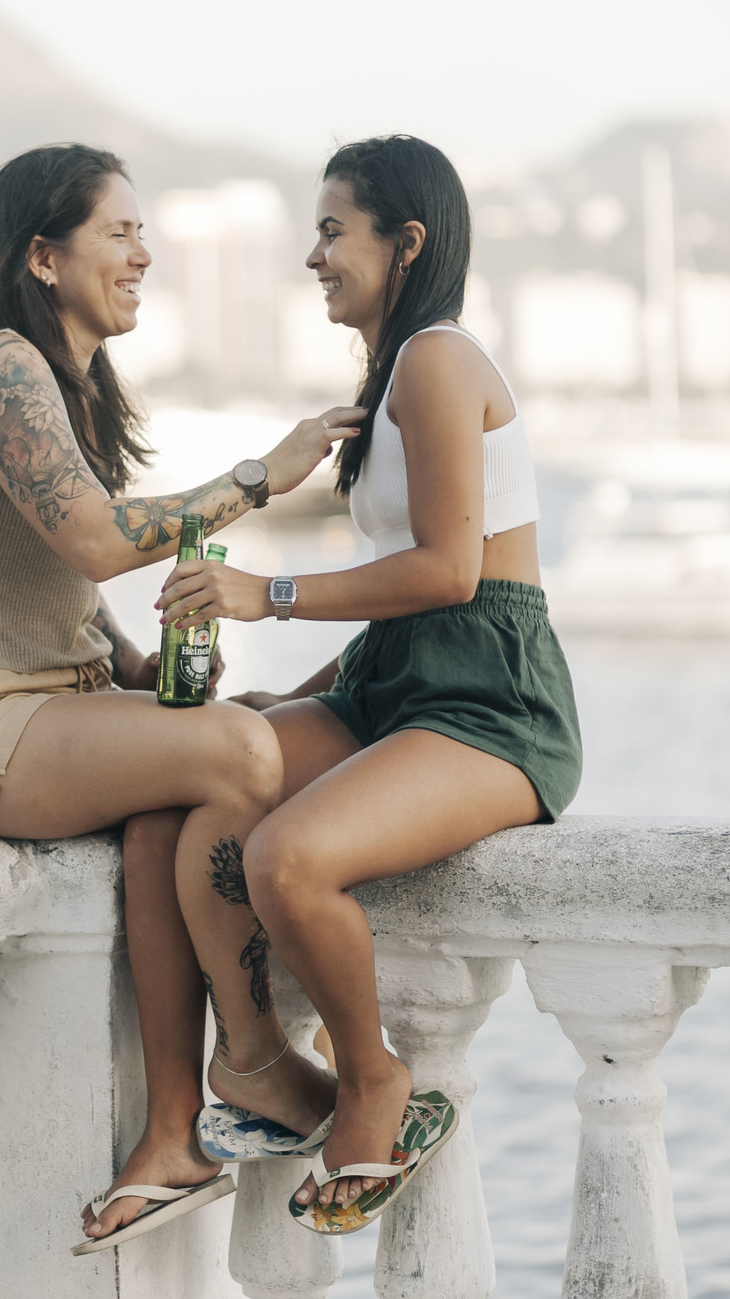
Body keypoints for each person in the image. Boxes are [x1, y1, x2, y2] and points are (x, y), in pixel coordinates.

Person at [0, 143, 363, 1251]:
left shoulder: (65, 384)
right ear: (43, 256)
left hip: (45, 704)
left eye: (144, 233)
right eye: (120, 232)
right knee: (240, 752)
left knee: (191, 782)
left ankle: (172, 1136)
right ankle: (256, 1064)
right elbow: (96, 541)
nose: (144, 254)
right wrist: (261, 476)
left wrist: (140, 670)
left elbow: (48, 574)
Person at [156, 134, 582, 1235]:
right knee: (211, 784)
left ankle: (372, 1076)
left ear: (408, 242)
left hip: (489, 704)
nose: (314, 257)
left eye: (333, 231)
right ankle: (256, 1063)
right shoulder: (390, 378)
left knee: (286, 859)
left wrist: (265, 595)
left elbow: (449, 573)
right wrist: (291, 700)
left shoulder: (438, 361)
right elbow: (404, 603)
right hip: (390, 685)